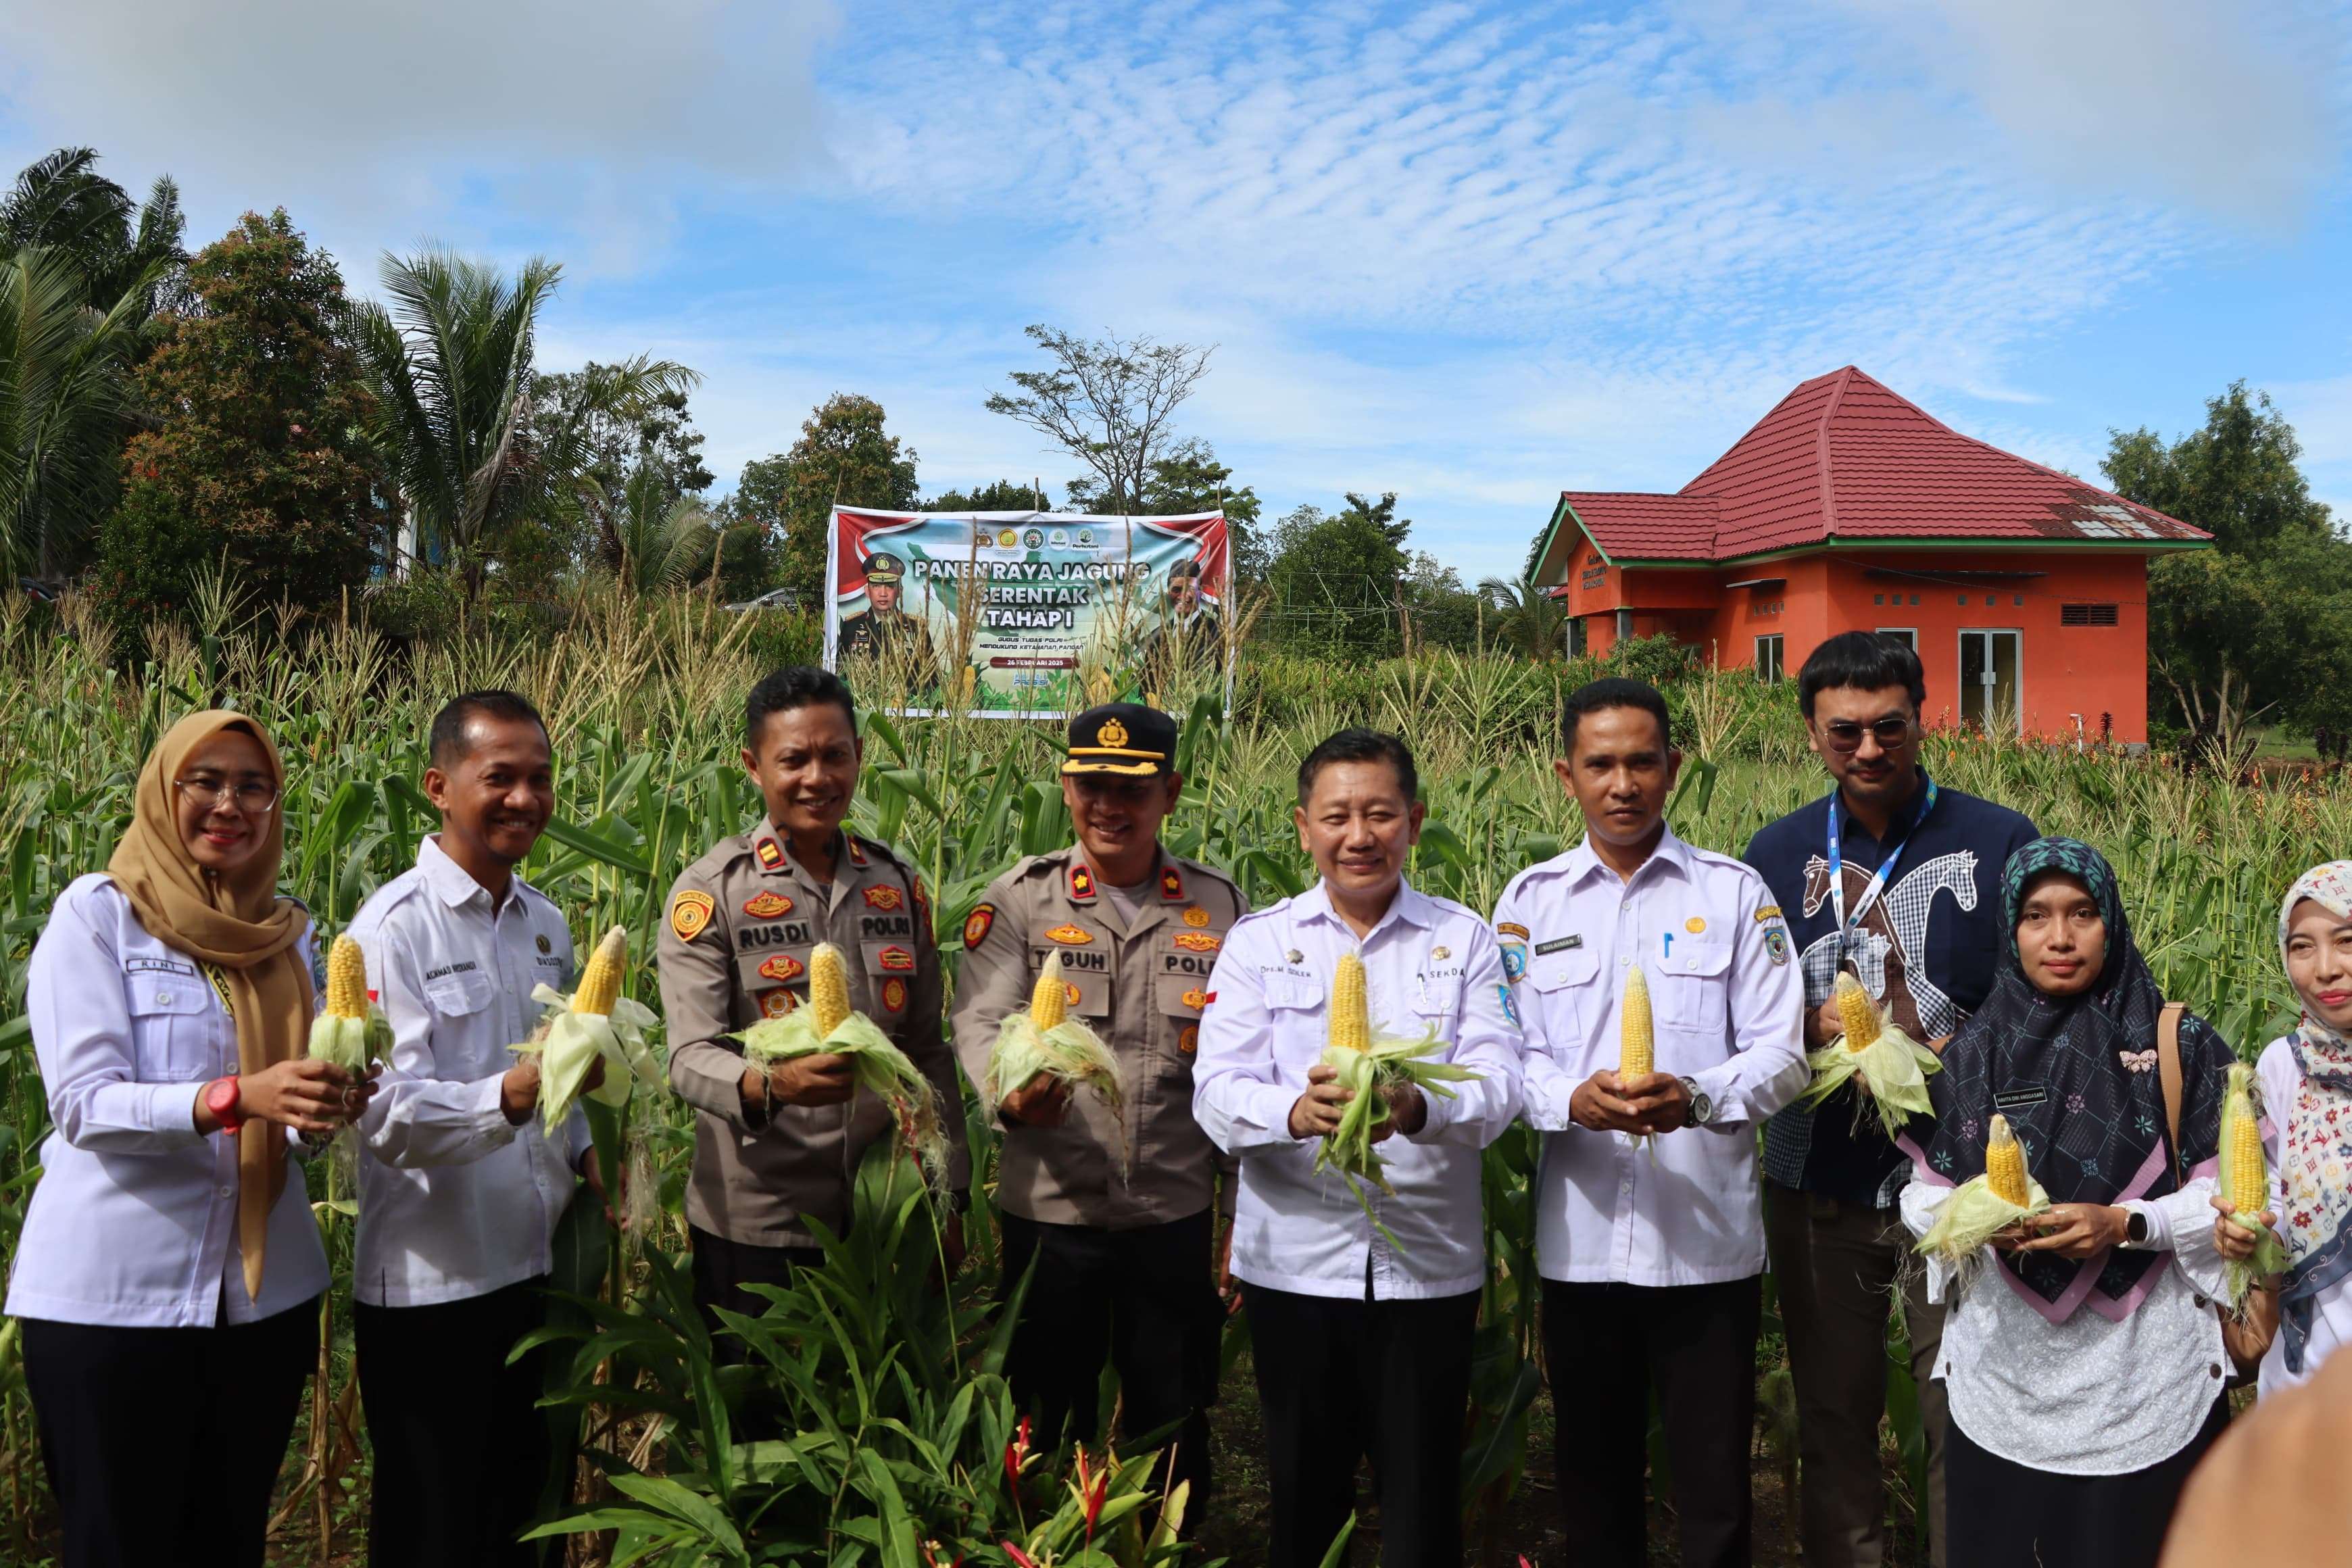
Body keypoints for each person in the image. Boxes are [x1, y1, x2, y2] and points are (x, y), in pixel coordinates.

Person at [4, 711, 376, 1568]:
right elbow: (85, 1105)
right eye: (204, 781)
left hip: (261, 1304)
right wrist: (235, 1097)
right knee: (116, 1545)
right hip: (116, 1303)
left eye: (253, 786)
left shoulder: (292, 937)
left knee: (226, 1541)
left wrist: (327, 1107)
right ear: (161, 791)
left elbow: (296, 1135)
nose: (229, 804)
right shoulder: (99, 918)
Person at [1494, 677, 1807, 1568]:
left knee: (1714, 1489)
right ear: (1567, 774)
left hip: (1704, 1248)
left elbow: (1783, 1054)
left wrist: (1699, 1097)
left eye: (1641, 762)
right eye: (1600, 764)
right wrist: (1570, 1101)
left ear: (1674, 767)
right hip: (1581, 1246)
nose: (1622, 783)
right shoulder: (1530, 903)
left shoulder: (1737, 894)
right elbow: (1501, 1060)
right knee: (1593, 1483)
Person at [1194, 728, 1523, 1568]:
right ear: (1303, 828)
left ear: (1415, 821)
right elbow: (1216, 1092)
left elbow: (1500, 1086)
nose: (1359, 834)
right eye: (1337, 815)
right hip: (1297, 1270)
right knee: (1305, 1503)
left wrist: (1417, 1107)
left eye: (1380, 813)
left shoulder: (1464, 941)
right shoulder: (1261, 941)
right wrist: (1296, 1112)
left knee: (1421, 1507)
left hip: (1426, 1270)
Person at [1742, 631, 2036, 1568]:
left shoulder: (2001, 841)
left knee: (1967, 1413)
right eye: (1844, 732)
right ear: (1811, 732)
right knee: (1833, 1417)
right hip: (1817, 1179)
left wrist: (1946, 1049)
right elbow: (1742, 1012)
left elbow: (2041, 998)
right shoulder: (1775, 851)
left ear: (1923, 716)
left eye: (1888, 727)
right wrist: (1806, 1023)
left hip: (1959, 1188)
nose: (1868, 750)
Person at [1902, 838, 2236, 1568]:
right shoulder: (1971, 1052)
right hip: (2006, 1378)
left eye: (2081, 912)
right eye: (2036, 915)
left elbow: (2231, 1199)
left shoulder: (2178, 1042)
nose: (2059, 937)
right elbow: (1920, 1200)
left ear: (2111, 920)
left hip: (2149, 1377)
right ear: (2009, 929)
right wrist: (1980, 1217)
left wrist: (2127, 1223)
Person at [950, 702, 1246, 1513]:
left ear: (1171, 793)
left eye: (1132, 788)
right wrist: (1005, 1095)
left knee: (1174, 1422)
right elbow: (979, 1020)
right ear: (1067, 785)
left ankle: (1166, 1550)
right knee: (1042, 1422)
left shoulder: (1221, 909)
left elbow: (1245, 1058)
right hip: (1053, 1214)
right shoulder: (1020, 900)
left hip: (1172, 1214)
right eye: (1091, 785)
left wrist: (1241, 1208)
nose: (1108, 805)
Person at [349, 691, 604, 1566]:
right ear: (438, 786)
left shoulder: (546, 924)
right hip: (433, 1295)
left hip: (538, 1274)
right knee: (436, 1533)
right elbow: (388, 1117)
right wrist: (520, 1094)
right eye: (500, 778)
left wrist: (588, 1150)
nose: (525, 798)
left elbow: (559, 1083)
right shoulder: (393, 930)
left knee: (524, 1525)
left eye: (540, 779)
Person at [659, 666, 969, 1340]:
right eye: (794, 759)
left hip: (882, 1209)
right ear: (753, 765)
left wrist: (951, 1195)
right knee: (761, 1421)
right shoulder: (713, 891)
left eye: (836, 755)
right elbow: (687, 1055)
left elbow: (925, 1048)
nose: (817, 778)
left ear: (860, 753)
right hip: (758, 1222)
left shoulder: (897, 884)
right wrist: (773, 1084)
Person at [2211, 860, 2352, 1396]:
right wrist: (2247, 1236)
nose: (2326, 969)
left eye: (2346, 940)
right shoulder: (2282, 1065)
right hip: (2306, 1386)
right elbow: (2277, 1207)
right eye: (2301, 947)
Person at [837, 552, 939, 673]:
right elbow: (840, 673)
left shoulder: (916, 628)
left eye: (890, 586)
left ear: (900, 591)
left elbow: (932, 682)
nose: (883, 593)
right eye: (876, 586)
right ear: (867, 591)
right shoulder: (852, 626)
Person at [1138, 557, 1224, 691]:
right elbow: (1146, 689)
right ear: (1169, 593)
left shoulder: (1216, 632)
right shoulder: (1157, 637)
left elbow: (1226, 681)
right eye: (1177, 590)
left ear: (1200, 591)